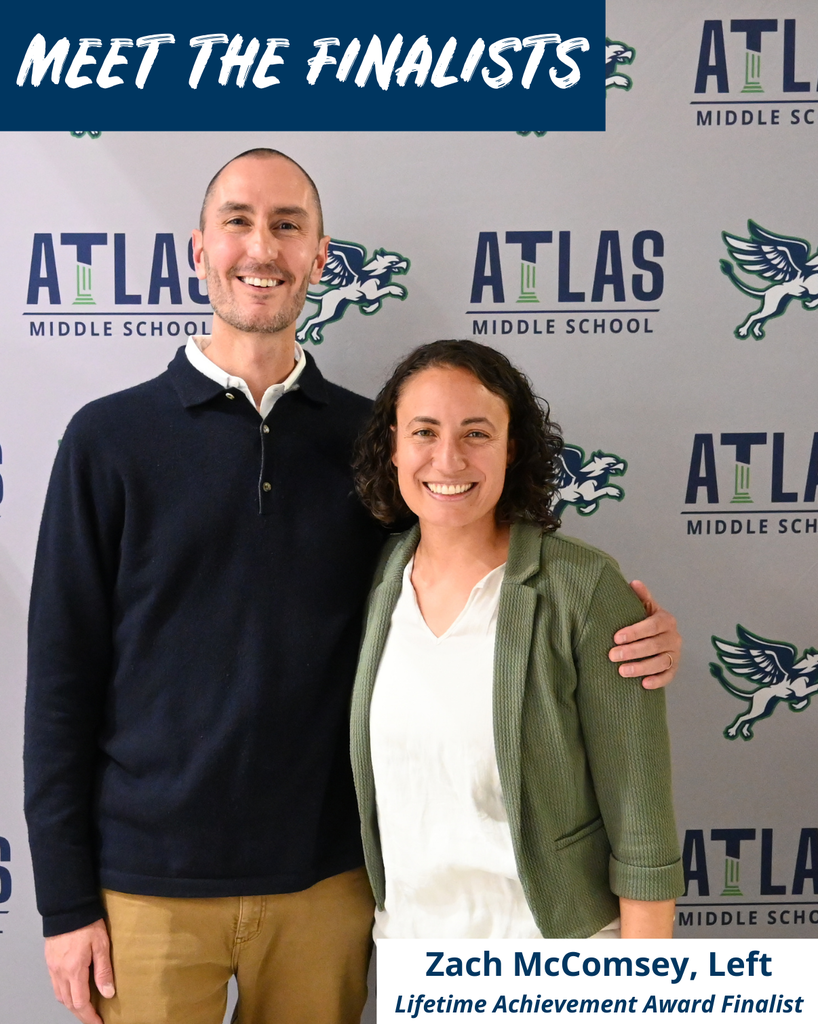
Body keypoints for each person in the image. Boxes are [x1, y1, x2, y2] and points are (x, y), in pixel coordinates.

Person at [25, 150, 681, 1024]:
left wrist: (630, 641)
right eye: (239, 221)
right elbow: (59, 684)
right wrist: (65, 903)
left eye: (288, 225)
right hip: (148, 892)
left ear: (320, 257)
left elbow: (483, 580)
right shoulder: (106, 441)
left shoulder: (378, 443)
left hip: (330, 890)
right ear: (198, 249)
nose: (262, 247)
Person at [350, 340, 685, 940]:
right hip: (413, 955)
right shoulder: (376, 584)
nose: (447, 459)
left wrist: (646, 984)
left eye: (475, 433)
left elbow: (642, 821)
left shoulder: (582, 589)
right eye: (424, 432)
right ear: (393, 447)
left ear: (512, 448)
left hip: (558, 960)